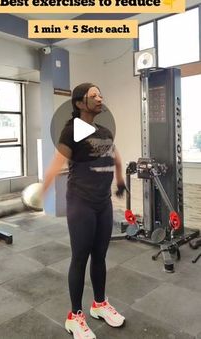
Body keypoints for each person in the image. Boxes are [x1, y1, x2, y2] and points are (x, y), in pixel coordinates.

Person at [41, 83, 127, 339]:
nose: (100, 98)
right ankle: (74, 316)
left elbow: (116, 156)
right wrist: (42, 191)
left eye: (101, 94)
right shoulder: (71, 132)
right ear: (80, 103)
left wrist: (120, 180)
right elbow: (56, 164)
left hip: (103, 202)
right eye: (94, 96)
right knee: (80, 257)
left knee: (100, 255)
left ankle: (99, 304)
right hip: (81, 203)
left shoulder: (105, 130)